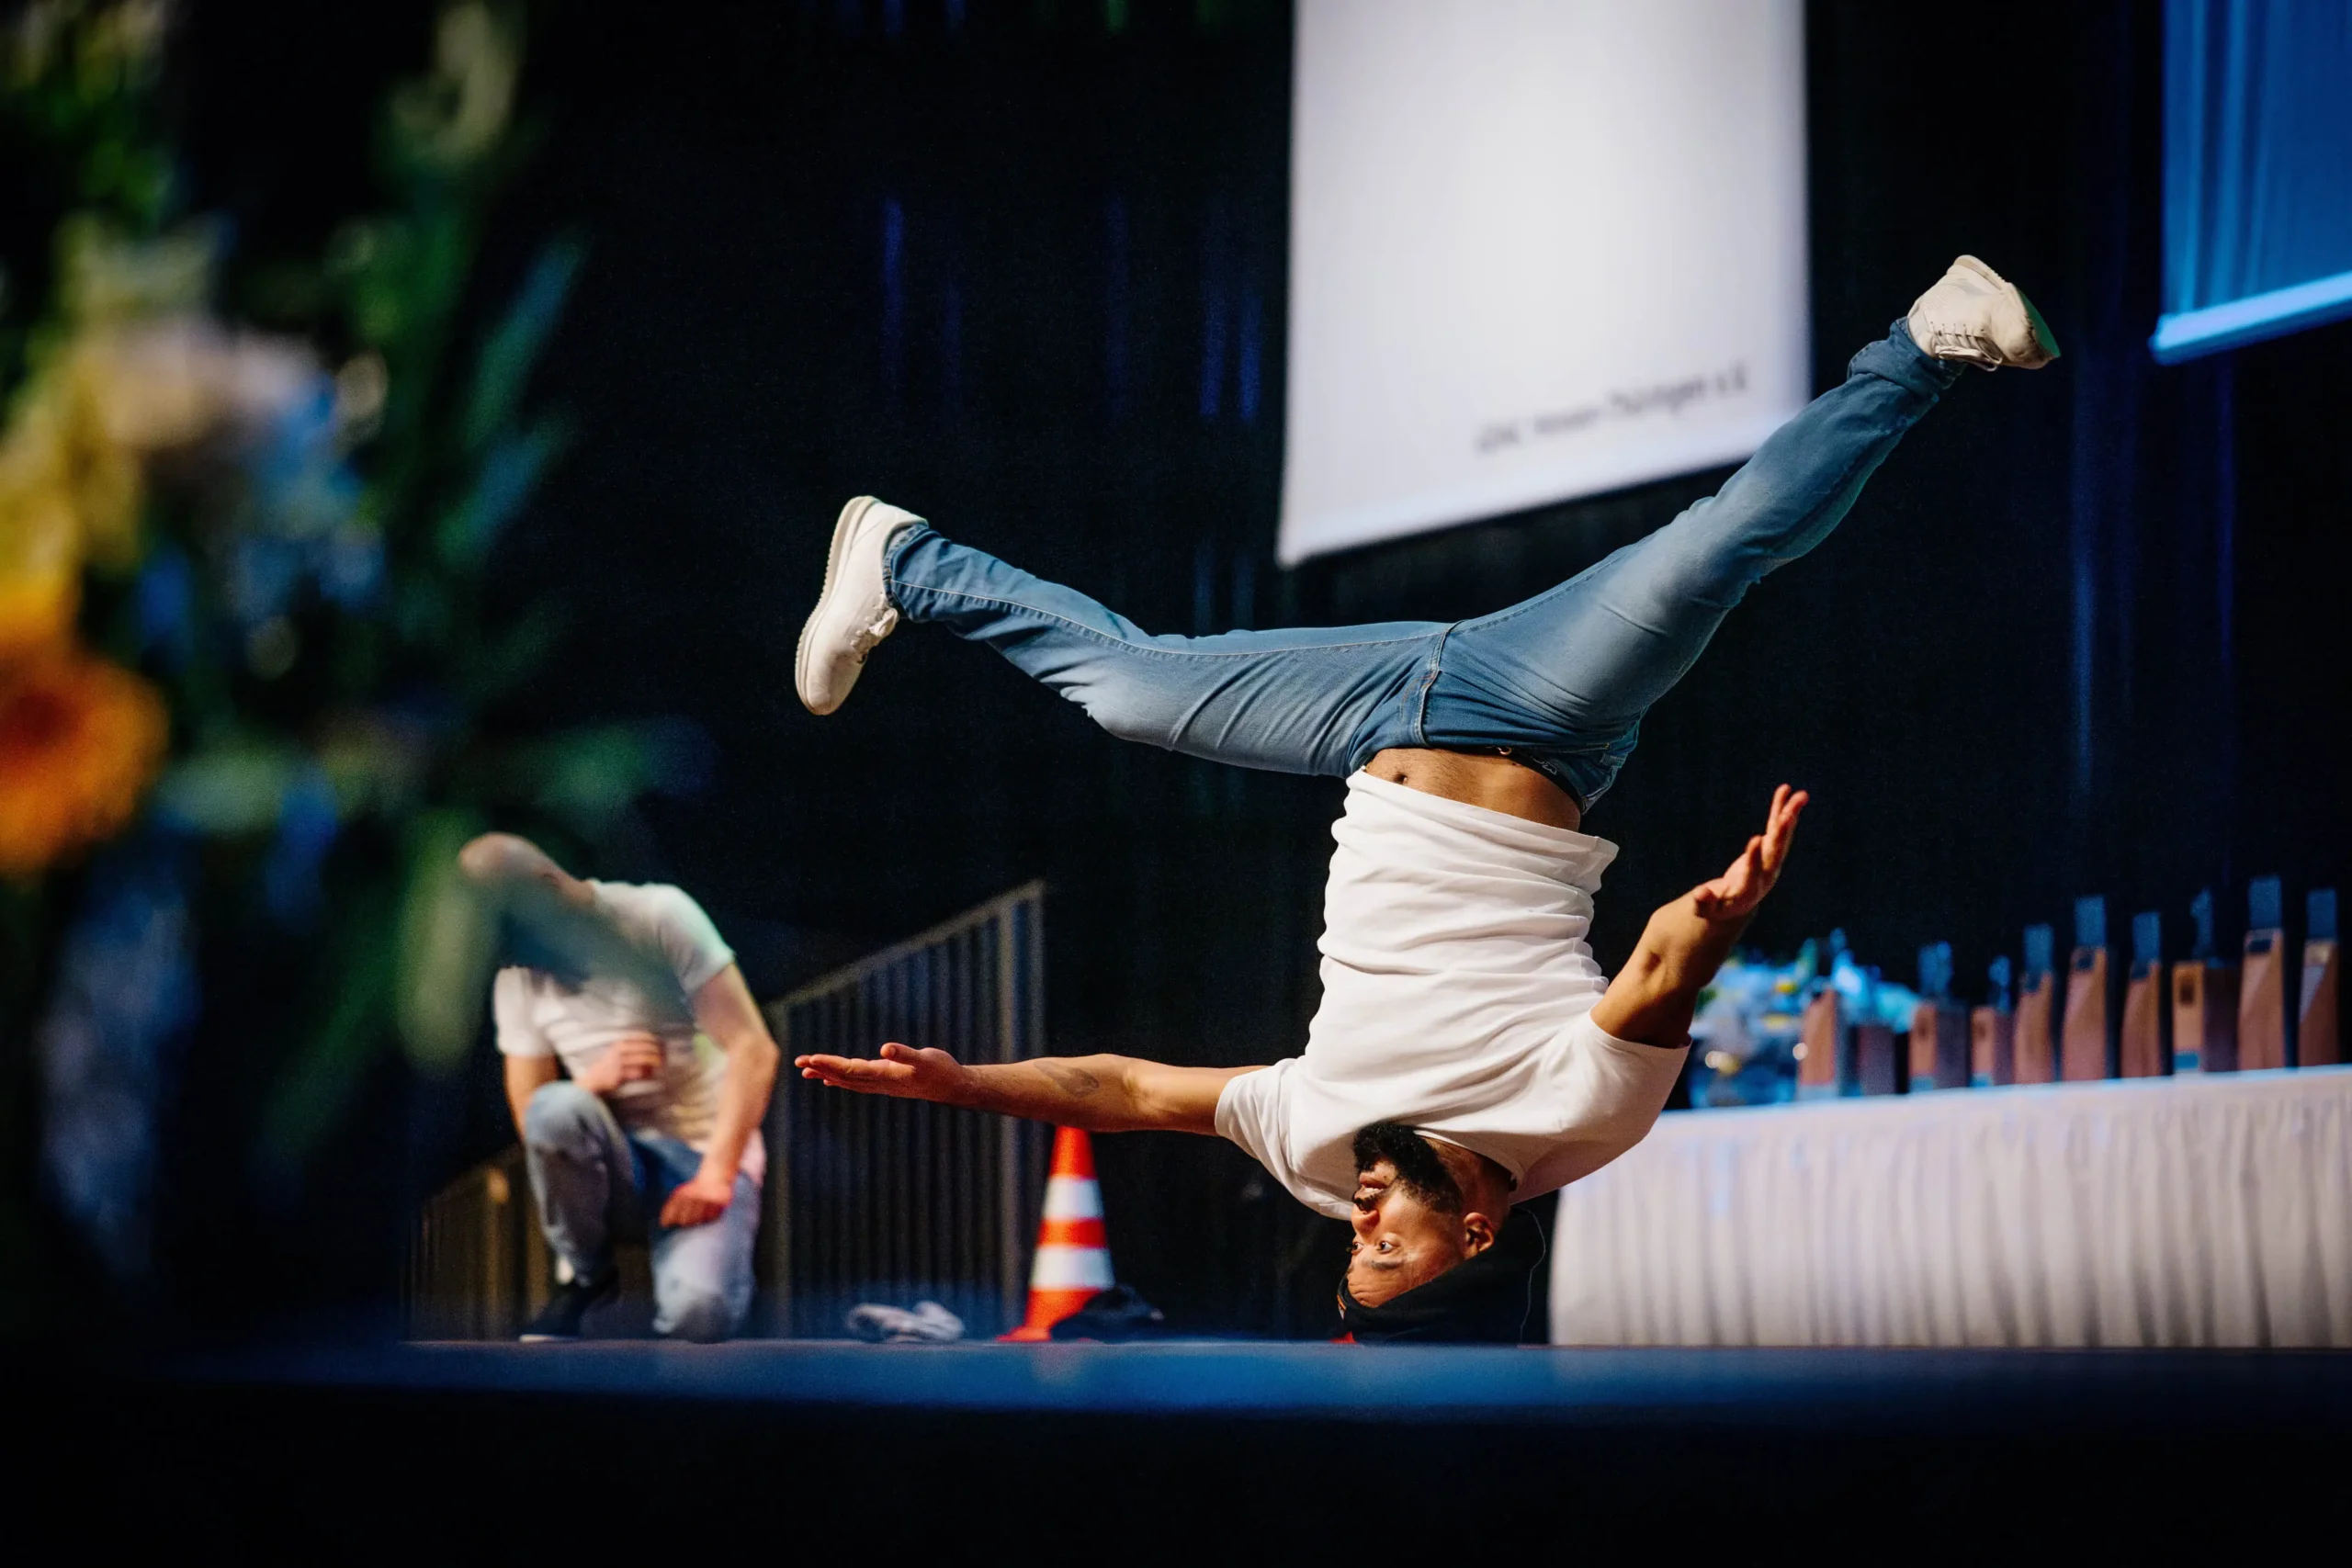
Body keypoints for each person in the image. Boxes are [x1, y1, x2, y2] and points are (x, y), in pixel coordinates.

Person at [788, 257, 2058, 1341]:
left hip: (1364, 723)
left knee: (1129, 694)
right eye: (1388, 1246)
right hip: (1541, 719)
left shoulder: (1314, 1151)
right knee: (1720, 550)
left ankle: (908, 558)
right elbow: (1660, 972)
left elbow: (1127, 1092)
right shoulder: (1581, 1122)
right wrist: (1721, 911)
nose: (1361, 1221)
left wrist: (970, 1086)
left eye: (1356, 1248)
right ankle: (1926, 342)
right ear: (1477, 1227)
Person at [458, 833, 781, 1342]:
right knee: (557, 1106)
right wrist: (593, 1083)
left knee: (699, 1316)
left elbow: (753, 1049)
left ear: (547, 887)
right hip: (613, 1164)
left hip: (703, 1160)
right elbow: (532, 1114)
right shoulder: (517, 973)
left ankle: (709, 1271)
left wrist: (717, 1176)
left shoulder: (658, 914)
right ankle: (588, 1275)